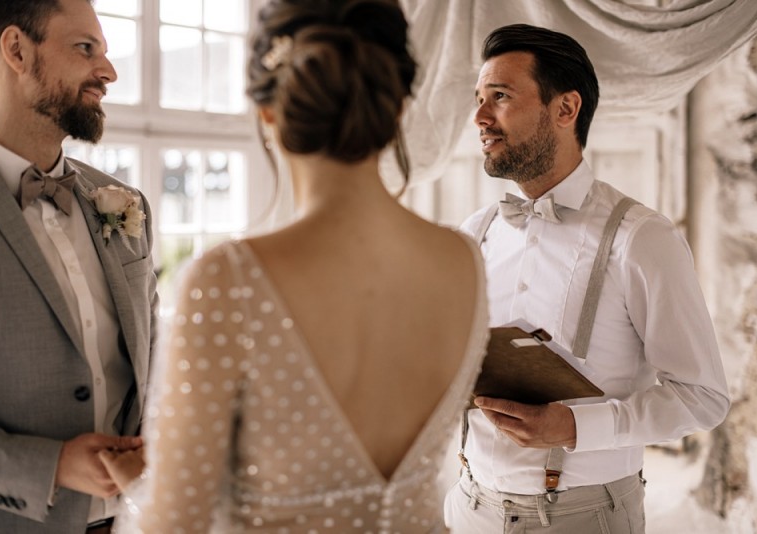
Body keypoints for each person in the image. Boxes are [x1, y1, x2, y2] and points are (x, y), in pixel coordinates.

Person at [98, 0, 489, 532]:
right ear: (399, 106)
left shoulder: (228, 279)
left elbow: (174, 523)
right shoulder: (464, 261)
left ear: (267, 111)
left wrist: (137, 486)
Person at [443, 23, 731, 533]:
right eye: (479, 99)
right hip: (469, 507)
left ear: (565, 109)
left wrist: (576, 427)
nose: (479, 118)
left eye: (501, 97)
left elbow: (701, 398)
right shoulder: (476, 233)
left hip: (583, 518)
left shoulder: (642, 238)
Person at [0, 0, 158, 532]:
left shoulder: (123, 200)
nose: (107, 72)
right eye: (85, 49)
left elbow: (156, 356)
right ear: (17, 50)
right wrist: (53, 465)